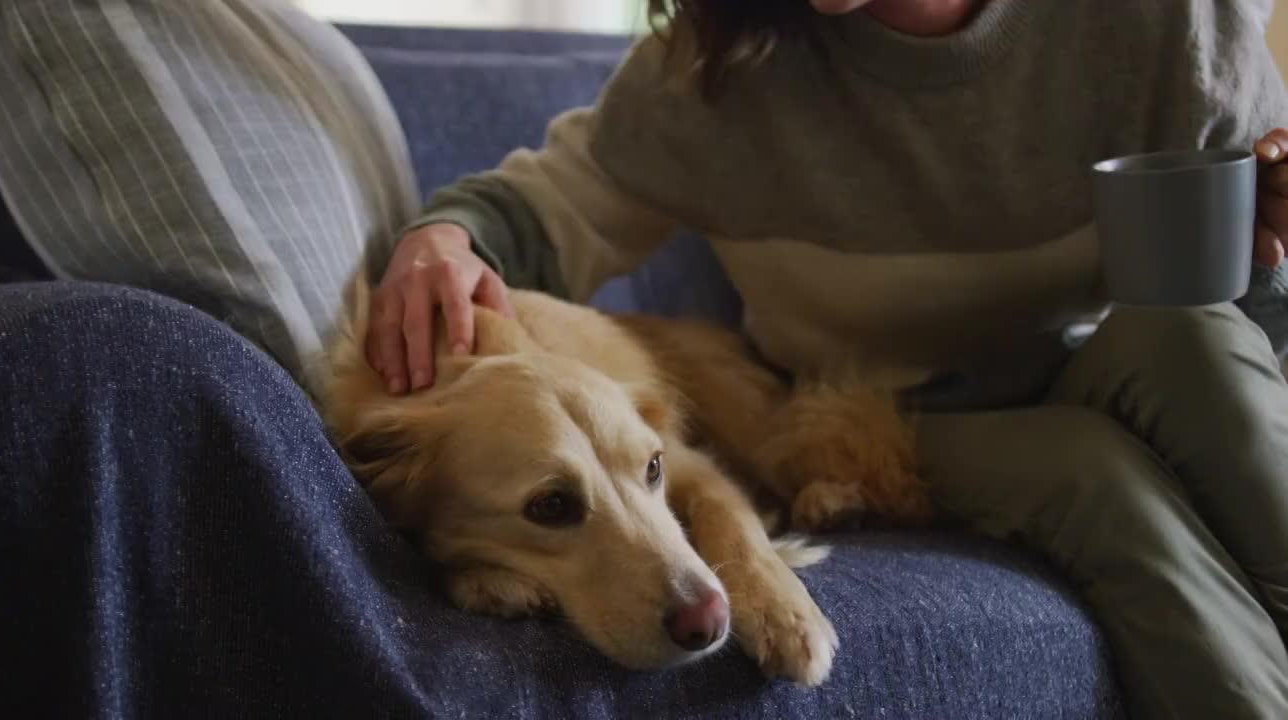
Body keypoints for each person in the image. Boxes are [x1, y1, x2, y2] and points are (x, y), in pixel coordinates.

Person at [366, 0, 1288, 717]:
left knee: (1198, 348)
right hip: (878, 419)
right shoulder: (716, 68)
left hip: (1110, 353)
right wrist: (446, 238)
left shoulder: (1169, 23)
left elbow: (1261, 301)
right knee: (1095, 474)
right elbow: (542, 208)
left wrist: (1277, 246)